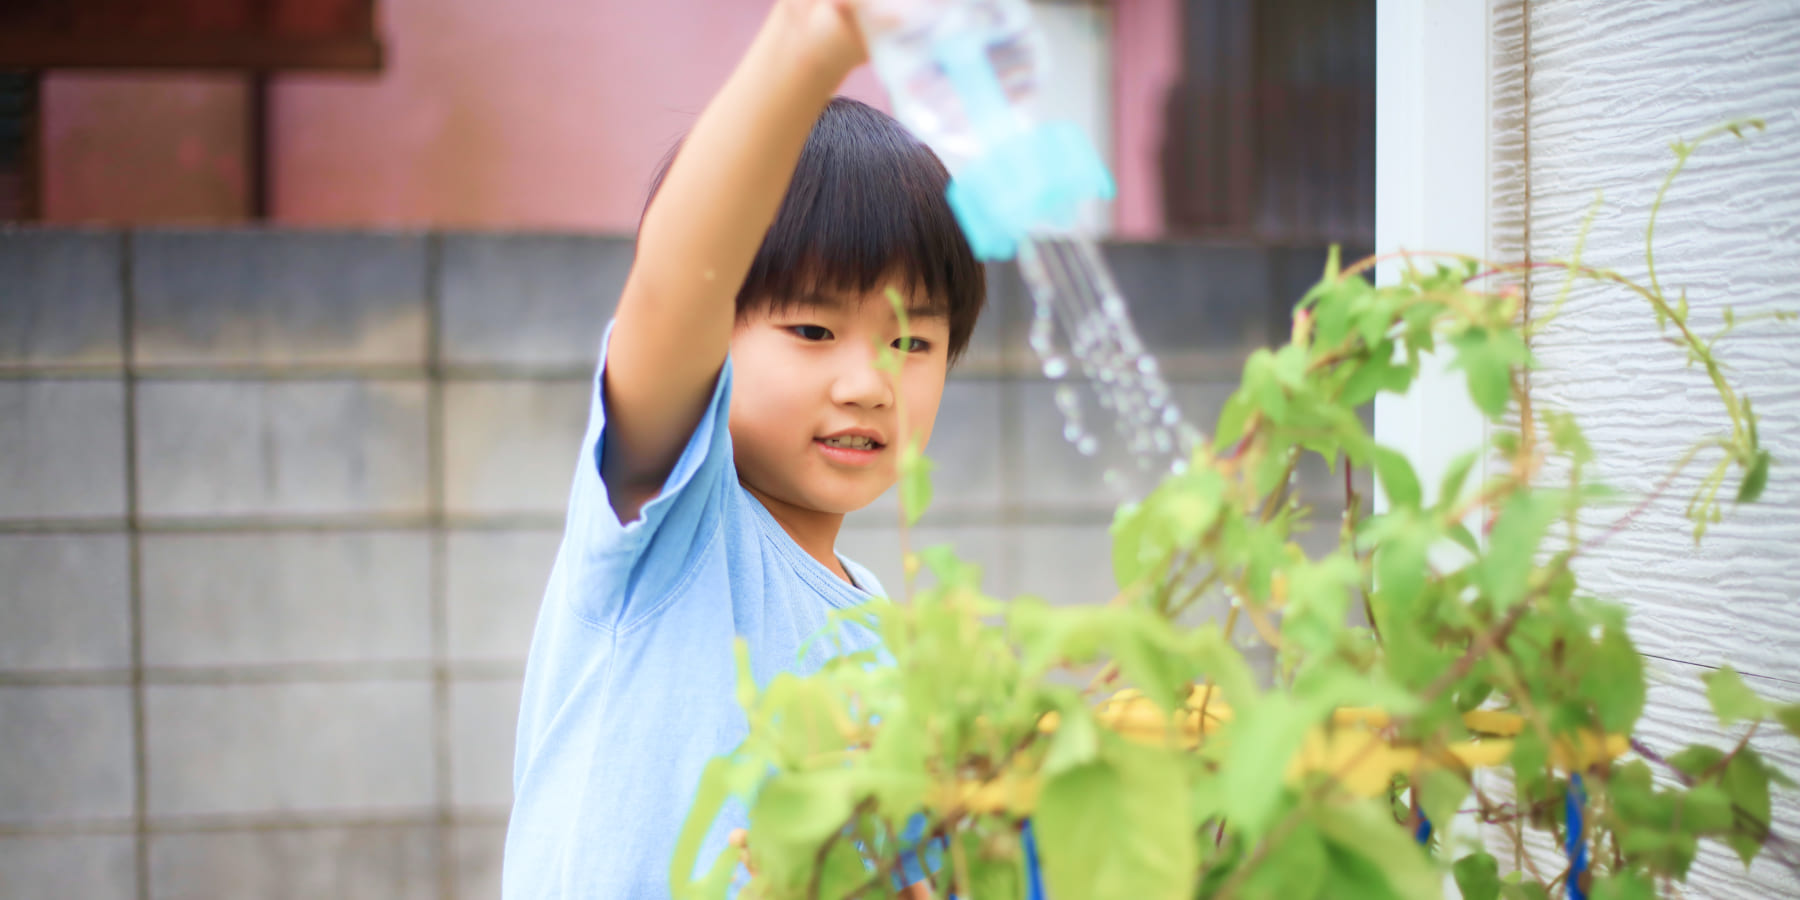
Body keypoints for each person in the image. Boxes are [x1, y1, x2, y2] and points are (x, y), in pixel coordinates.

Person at [501, 0, 985, 896]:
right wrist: (809, 41)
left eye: (912, 342)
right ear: (714, 334)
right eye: (812, 330)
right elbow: (673, 287)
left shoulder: (882, 633)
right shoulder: (677, 531)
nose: (869, 383)